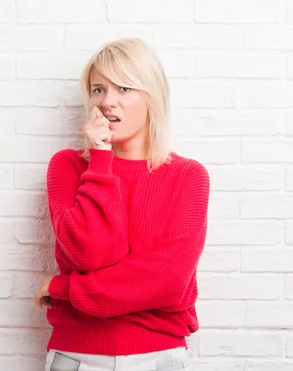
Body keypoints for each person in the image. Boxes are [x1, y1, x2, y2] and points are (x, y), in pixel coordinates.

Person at [33, 37, 210, 371]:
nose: (107, 102)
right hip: (75, 357)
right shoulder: (68, 167)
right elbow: (91, 252)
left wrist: (65, 287)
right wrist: (100, 158)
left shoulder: (188, 176)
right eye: (99, 89)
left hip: (158, 357)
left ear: (152, 97)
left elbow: (170, 281)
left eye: (124, 88)